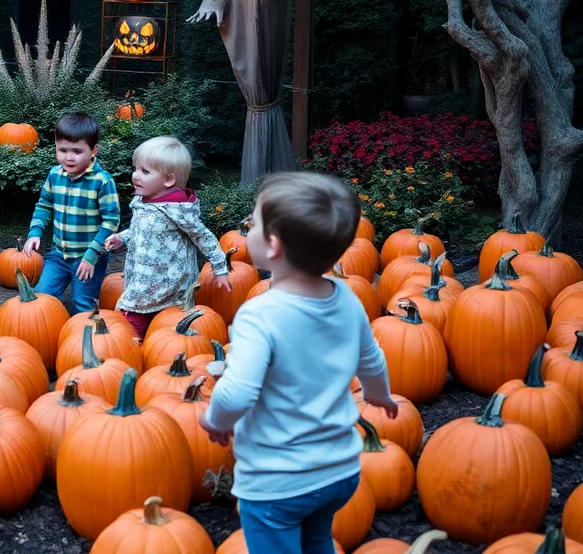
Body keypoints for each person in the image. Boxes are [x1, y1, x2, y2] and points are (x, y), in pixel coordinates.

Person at [198, 171, 397, 554]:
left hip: (279, 482)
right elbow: (371, 358)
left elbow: (238, 390)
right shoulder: (347, 299)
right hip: (340, 471)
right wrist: (380, 396)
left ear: (272, 246)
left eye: (252, 223)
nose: (247, 229)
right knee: (317, 540)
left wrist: (215, 420)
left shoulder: (259, 314)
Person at [104, 136, 229, 341]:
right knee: (135, 334)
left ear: (168, 180)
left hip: (171, 287)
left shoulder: (178, 211)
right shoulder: (144, 202)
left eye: (145, 171)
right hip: (143, 282)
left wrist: (219, 266)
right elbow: (143, 229)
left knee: (153, 334)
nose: (136, 175)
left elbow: (202, 236)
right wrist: (122, 238)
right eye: (136, 168)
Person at [21, 112, 120, 313]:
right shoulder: (55, 174)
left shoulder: (101, 181)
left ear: (93, 150)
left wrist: (92, 255)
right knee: (40, 300)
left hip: (88, 257)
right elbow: (44, 204)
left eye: (77, 151)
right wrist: (35, 233)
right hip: (58, 255)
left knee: (83, 305)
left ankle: (82, 340)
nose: (69, 157)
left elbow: (111, 221)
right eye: (62, 150)